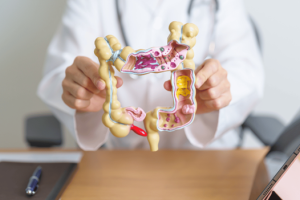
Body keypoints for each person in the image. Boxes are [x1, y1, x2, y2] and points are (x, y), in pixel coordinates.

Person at [37, 0, 264, 151]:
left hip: (205, 158)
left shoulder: (222, 4)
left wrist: (219, 89)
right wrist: (79, 90)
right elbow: (60, 72)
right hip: (117, 158)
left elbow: (247, 74)